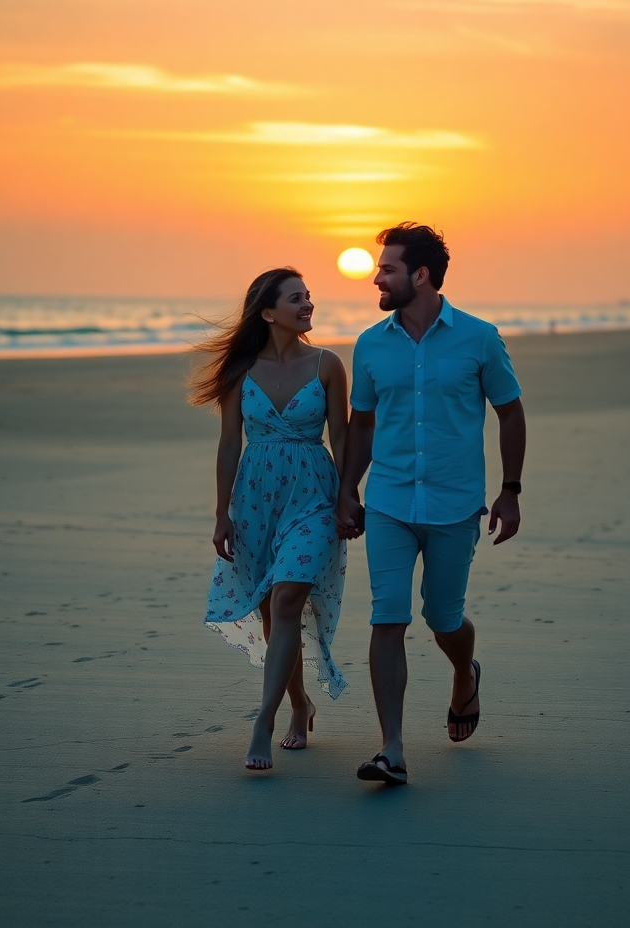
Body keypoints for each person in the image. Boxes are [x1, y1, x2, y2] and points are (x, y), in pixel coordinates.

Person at [337, 223, 526, 786]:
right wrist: (348, 489)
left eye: (388, 268)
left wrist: (510, 491)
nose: (378, 276)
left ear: (420, 275)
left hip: (454, 503)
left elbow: (510, 412)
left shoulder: (479, 338)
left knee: (443, 617)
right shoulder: (371, 343)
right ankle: (391, 747)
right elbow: (363, 422)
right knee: (387, 615)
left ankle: (464, 672)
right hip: (390, 500)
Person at [190, 268, 349, 771]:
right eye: (296, 298)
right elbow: (228, 445)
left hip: (313, 495)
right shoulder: (240, 371)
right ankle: (301, 705)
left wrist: (349, 498)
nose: (308, 305)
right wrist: (221, 515)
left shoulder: (328, 365)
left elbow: (342, 439)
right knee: (271, 611)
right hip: (256, 497)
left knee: (286, 598)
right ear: (267, 311)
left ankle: (264, 719)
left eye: (308, 297)